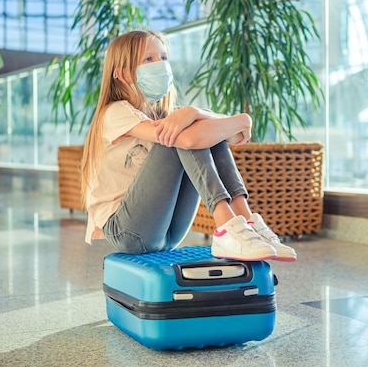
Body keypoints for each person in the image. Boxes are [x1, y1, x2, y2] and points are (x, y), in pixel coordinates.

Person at [81, 29, 296, 262]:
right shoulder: (115, 112)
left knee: (201, 131)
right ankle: (226, 225)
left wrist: (196, 113)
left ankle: (247, 220)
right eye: (149, 59)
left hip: (168, 232)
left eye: (163, 57)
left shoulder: (163, 114)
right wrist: (236, 120)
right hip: (125, 230)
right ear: (123, 74)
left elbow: (232, 136)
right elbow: (192, 139)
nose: (161, 65)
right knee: (179, 134)